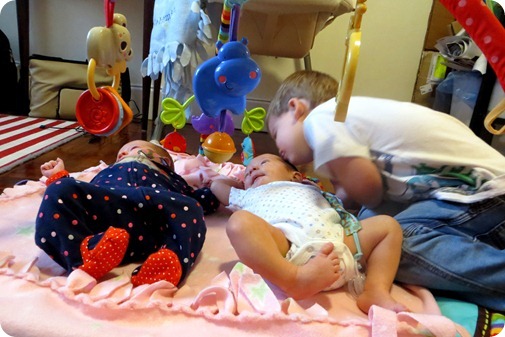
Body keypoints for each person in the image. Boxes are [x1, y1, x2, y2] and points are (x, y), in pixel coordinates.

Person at [266, 70, 505, 311]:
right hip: (470, 197)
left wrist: (337, 193)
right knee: (379, 238)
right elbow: (376, 206)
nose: (279, 149)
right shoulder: (350, 123)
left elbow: (369, 191)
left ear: (296, 108)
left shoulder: (323, 118)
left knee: (396, 247)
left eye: (276, 133)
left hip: (483, 192)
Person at [210, 153, 406, 314]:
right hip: (287, 247)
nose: (252, 169)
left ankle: (375, 290)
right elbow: (216, 185)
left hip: (341, 246)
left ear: (295, 176)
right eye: (247, 172)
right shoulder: (247, 195)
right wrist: (239, 179)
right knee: (239, 222)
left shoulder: (313, 189)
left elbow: (340, 201)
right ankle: (293, 279)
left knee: (388, 226)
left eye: (264, 162)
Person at [35, 140, 219, 287]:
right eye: (119, 155)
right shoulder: (106, 172)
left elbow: (201, 201)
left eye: (133, 149)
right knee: (59, 189)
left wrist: (214, 189)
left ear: (162, 161)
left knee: (191, 208)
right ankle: (83, 254)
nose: (122, 155)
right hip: (104, 222)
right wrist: (59, 177)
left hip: (154, 220)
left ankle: (170, 260)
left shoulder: (172, 178)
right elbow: (78, 198)